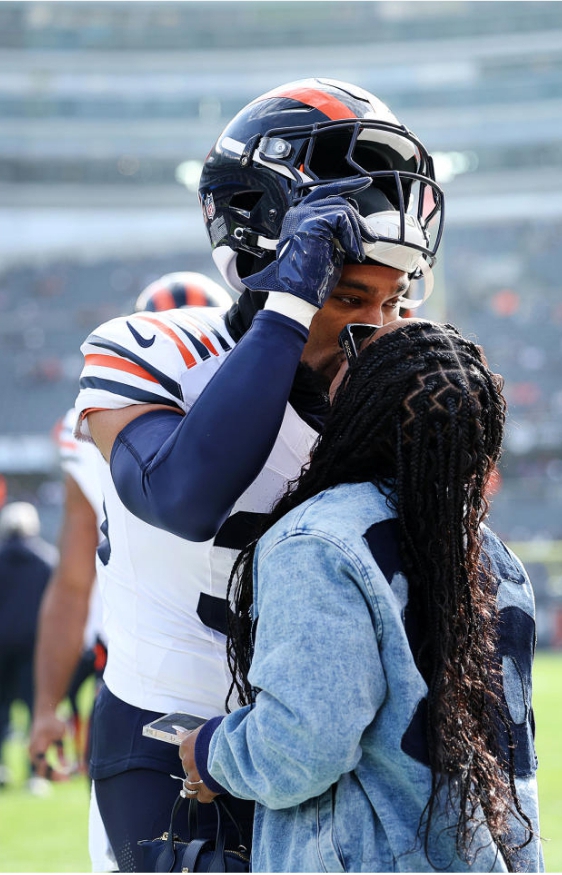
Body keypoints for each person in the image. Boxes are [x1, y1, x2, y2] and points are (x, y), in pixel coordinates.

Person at [73, 78, 444, 870]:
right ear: (265, 263)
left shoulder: (388, 390)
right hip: (167, 740)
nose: (376, 327)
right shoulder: (156, 348)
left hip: (310, 745)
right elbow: (184, 495)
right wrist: (287, 307)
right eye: (347, 294)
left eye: (395, 297)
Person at [179, 319, 543, 873]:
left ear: (364, 403)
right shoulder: (495, 556)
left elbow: (301, 747)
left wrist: (212, 754)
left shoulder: (317, 541)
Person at [28, 271, 232, 871]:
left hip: (141, 692)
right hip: (244, 694)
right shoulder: (272, 406)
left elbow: (72, 582)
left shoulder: (96, 417)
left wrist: (46, 707)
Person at [0, 502, 57, 793]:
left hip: (1, 646)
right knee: (37, 711)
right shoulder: (46, 560)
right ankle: (36, 772)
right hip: (34, 647)